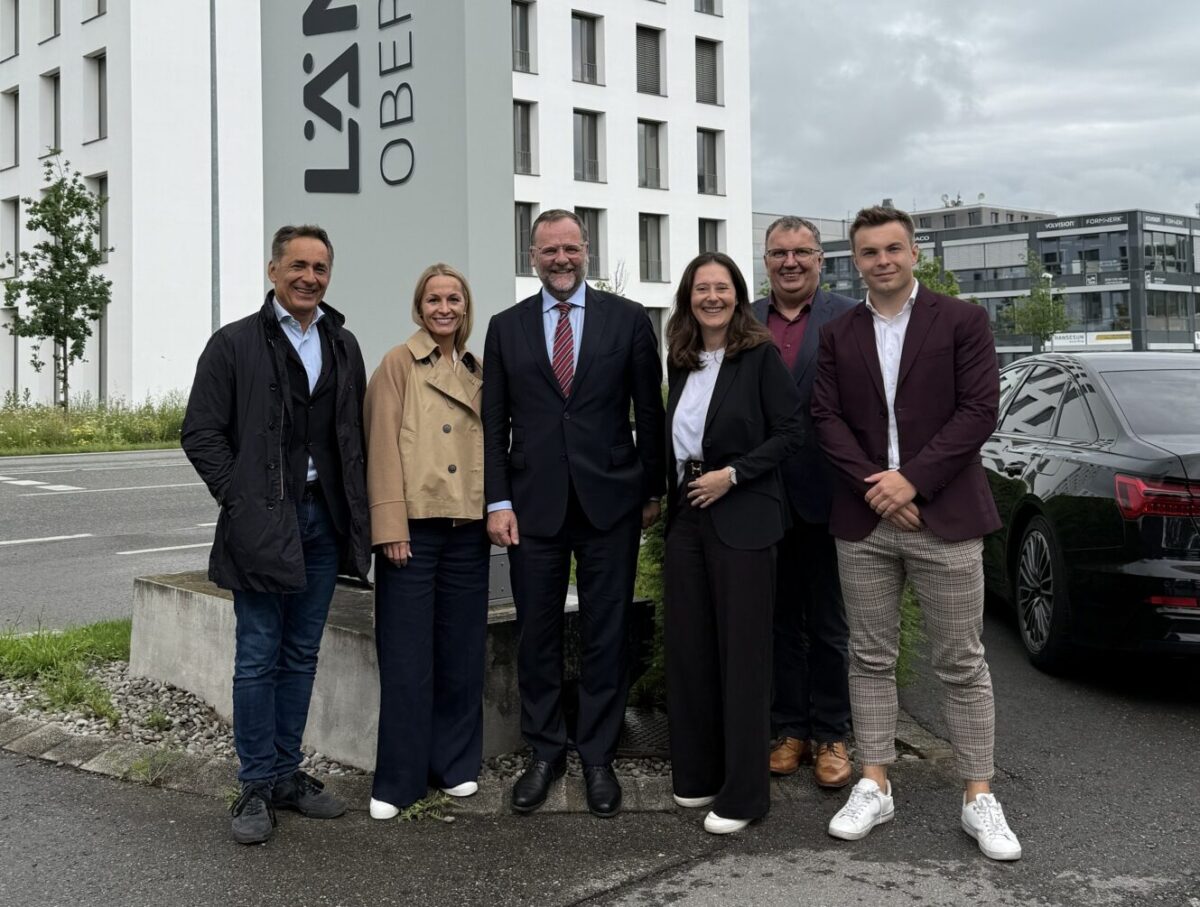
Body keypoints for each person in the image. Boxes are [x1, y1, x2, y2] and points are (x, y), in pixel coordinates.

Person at [811, 206, 1022, 861]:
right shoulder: (840, 333)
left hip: (946, 519)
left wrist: (914, 482)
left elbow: (978, 409)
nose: (882, 260)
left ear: (915, 253)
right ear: (857, 261)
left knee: (961, 660)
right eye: (869, 251)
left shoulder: (962, 321)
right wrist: (880, 484)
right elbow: (826, 416)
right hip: (864, 519)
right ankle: (874, 780)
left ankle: (978, 795)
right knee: (868, 656)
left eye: (893, 248)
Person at [182, 224, 370, 845]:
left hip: (323, 520)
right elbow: (201, 432)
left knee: (302, 652)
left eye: (320, 267)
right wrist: (239, 498)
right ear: (273, 270)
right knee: (258, 655)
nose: (309, 277)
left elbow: (352, 438)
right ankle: (256, 784)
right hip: (262, 521)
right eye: (298, 265)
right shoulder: (233, 343)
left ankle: (288, 774)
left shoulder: (342, 343)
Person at [482, 209, 665, 819]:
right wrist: (498, 500)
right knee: (536, 631)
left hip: (610, 502)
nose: (560, 259)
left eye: (570, 248)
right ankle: (544, 750)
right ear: (531, 256)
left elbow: (650, 412)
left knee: (604, 633)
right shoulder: (506, 328)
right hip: (531, 507)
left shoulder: (629, 320)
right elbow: (494, 424)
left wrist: (652, 491)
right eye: (548, 250)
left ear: (586, 249)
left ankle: (597, 754)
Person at [663, 252, 803, 835]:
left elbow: (793, 432)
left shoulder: (759, 354)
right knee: (691, 649)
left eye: (721, 288)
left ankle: (744, 796)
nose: (712, 297)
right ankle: (698, 776)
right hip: (688, 514)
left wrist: (735, 474)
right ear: (688, 298)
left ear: (738, 295)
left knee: (744, 657)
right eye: (702, 289)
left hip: (742, 512)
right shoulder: (683, 357)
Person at [363, 263, 488, 819]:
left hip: (467, 527)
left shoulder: (478, 368)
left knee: (461, 654)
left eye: (453, 299)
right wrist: (389, 526)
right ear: (420, 307)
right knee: (407, 657)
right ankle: (398, 779)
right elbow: (381, 446)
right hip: (413, 530)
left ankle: (455, 765)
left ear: (465, 307)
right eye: (434, 299)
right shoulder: (398, 362)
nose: (444, 308)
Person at [752, 216, 857, 788]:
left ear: (821, 259)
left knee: (830, 625)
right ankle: (789, 728)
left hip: (828, 494)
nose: (789, 262)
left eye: (801, 252)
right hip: (760, 496)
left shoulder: (848, 317)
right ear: (765, 260)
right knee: (777, 623)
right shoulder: (743, 318)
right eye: (778, 253)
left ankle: (833, 734)